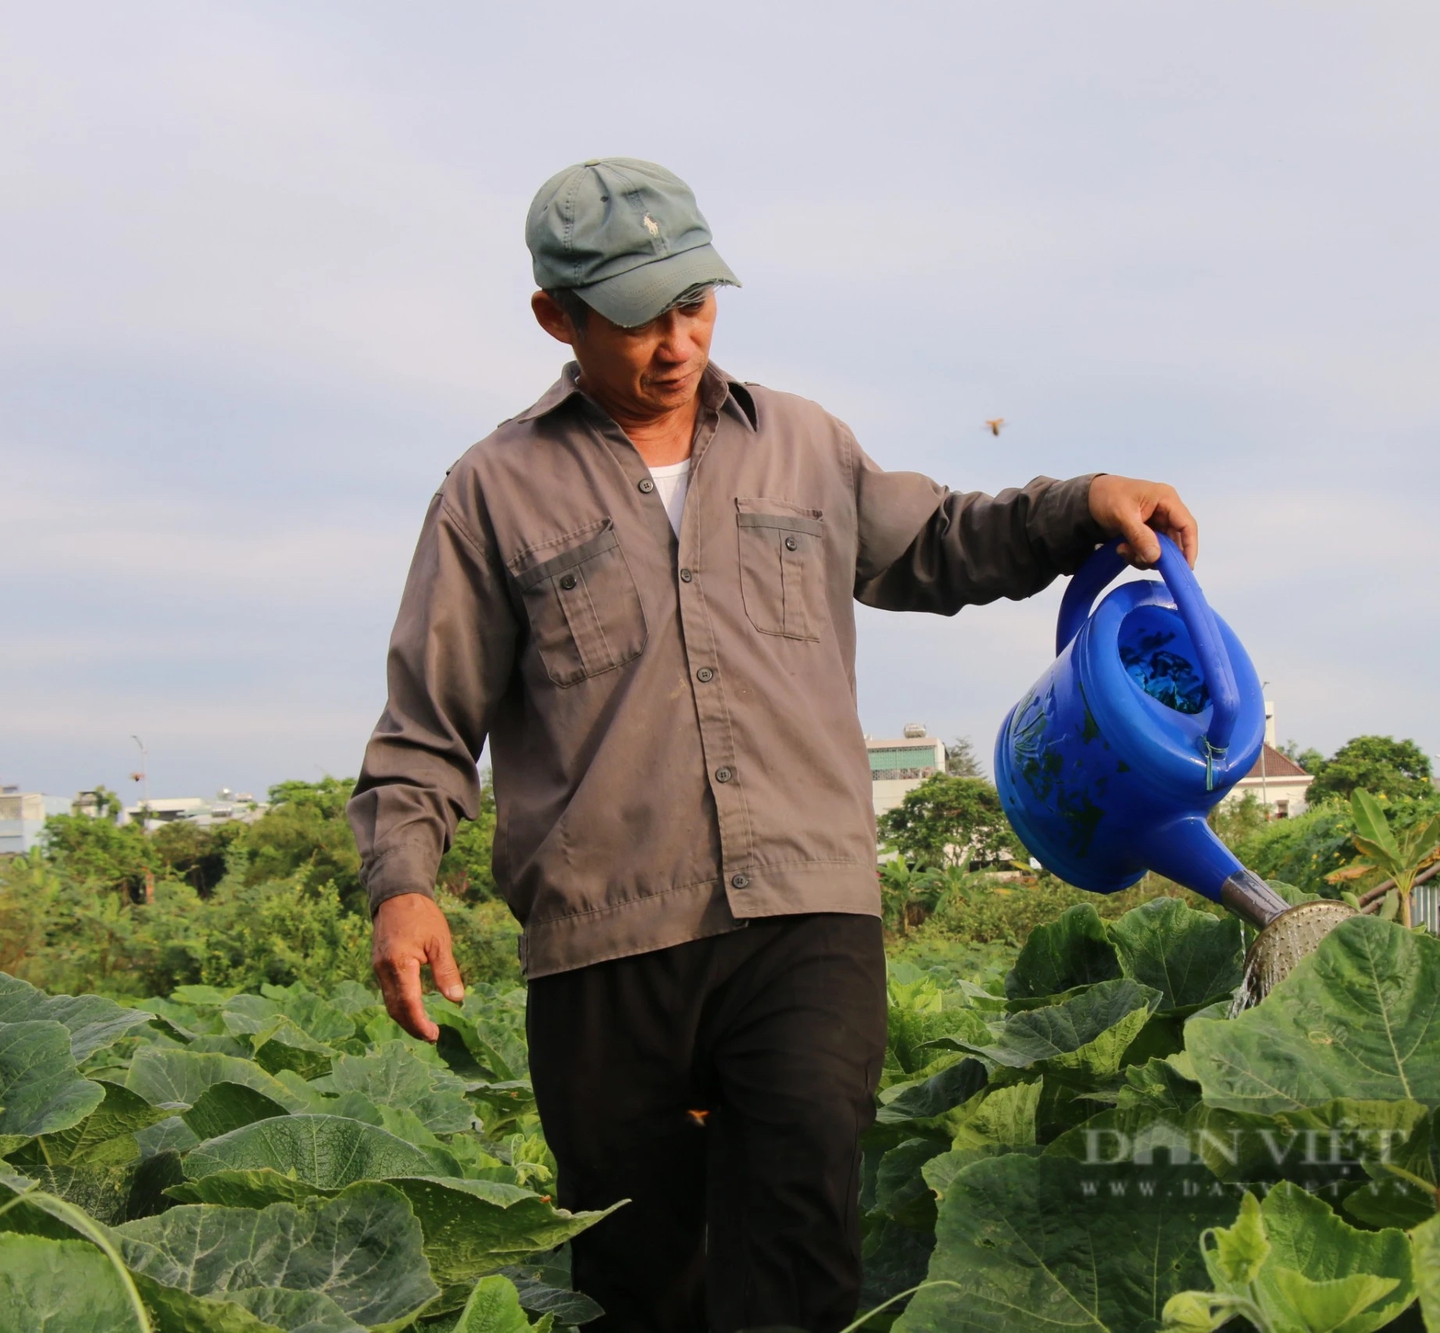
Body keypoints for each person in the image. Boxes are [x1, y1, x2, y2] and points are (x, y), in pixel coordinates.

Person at [350, 158, 1199, 1333]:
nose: (676, 344)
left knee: (799, 1219)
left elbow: (942, 541)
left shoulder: (801, 442)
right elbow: (427, 722)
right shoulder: (490, 491)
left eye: (693, 305)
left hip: (804, 907)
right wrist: (404, 884)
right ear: (557, 316)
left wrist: (1077, 500)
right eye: (638, 318)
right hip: (605, 936)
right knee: (640, 1270)